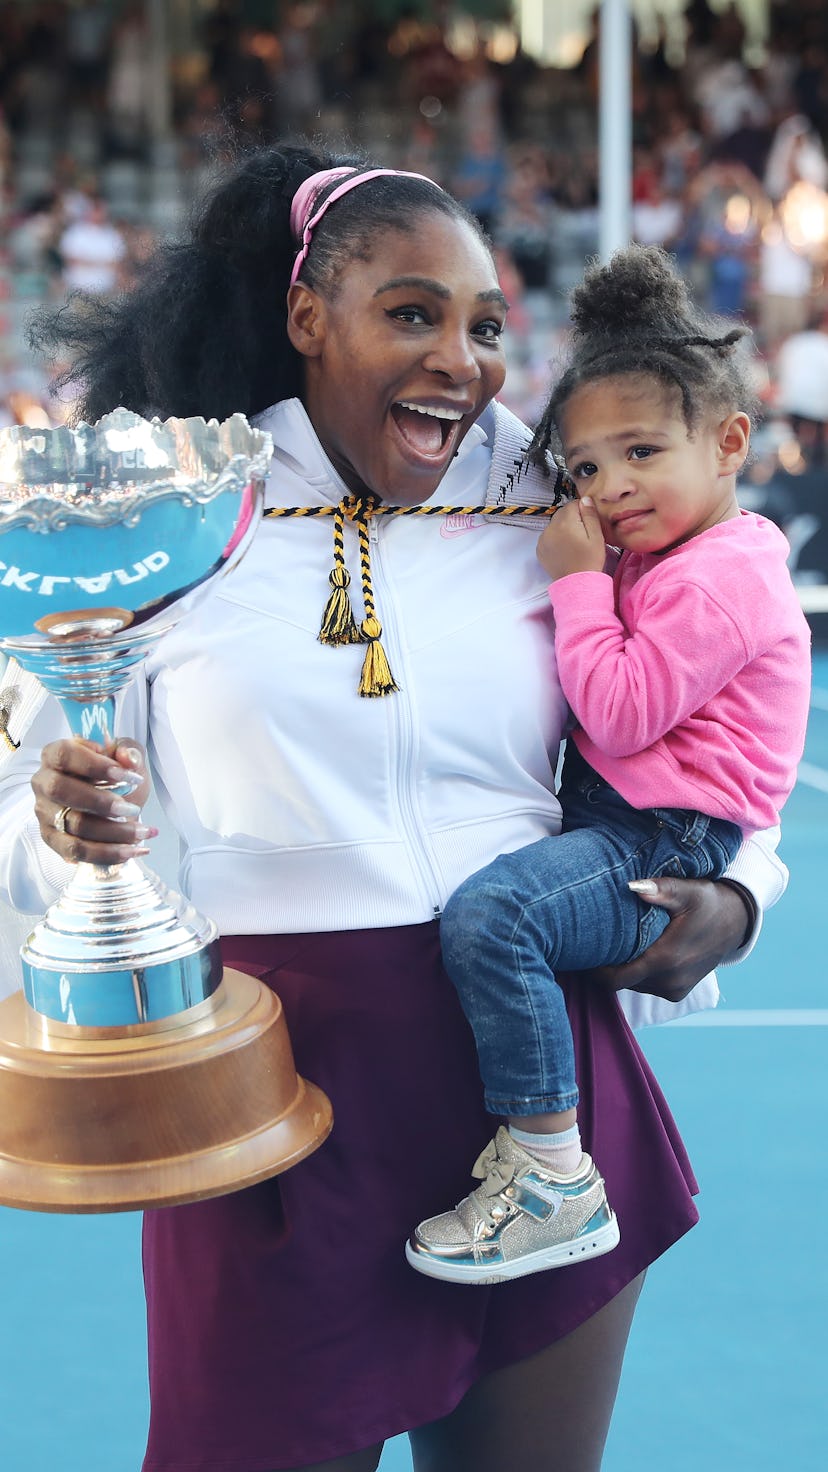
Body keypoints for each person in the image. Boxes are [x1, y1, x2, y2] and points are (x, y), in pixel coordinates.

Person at [0, 144, 787, 1472]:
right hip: (275, 1104)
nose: (459, 362)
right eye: (411, 313)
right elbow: (44, 797)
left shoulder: (552, 496)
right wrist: (64, 822)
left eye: (484, 326)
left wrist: (742, 894)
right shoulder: (175, 513)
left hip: (538, 1105)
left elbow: (717, 688)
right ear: (309, 317)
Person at [408, 244, 811, 1287]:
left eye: (641, 451)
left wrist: (580, 583)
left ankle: (552, 1174)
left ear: (729, 442)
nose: (610, 487)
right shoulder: (675, 554)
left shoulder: (718, 577)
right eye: (584, 468)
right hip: (630, 817)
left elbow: (623, 714)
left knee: (497, 917)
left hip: (660, 835)